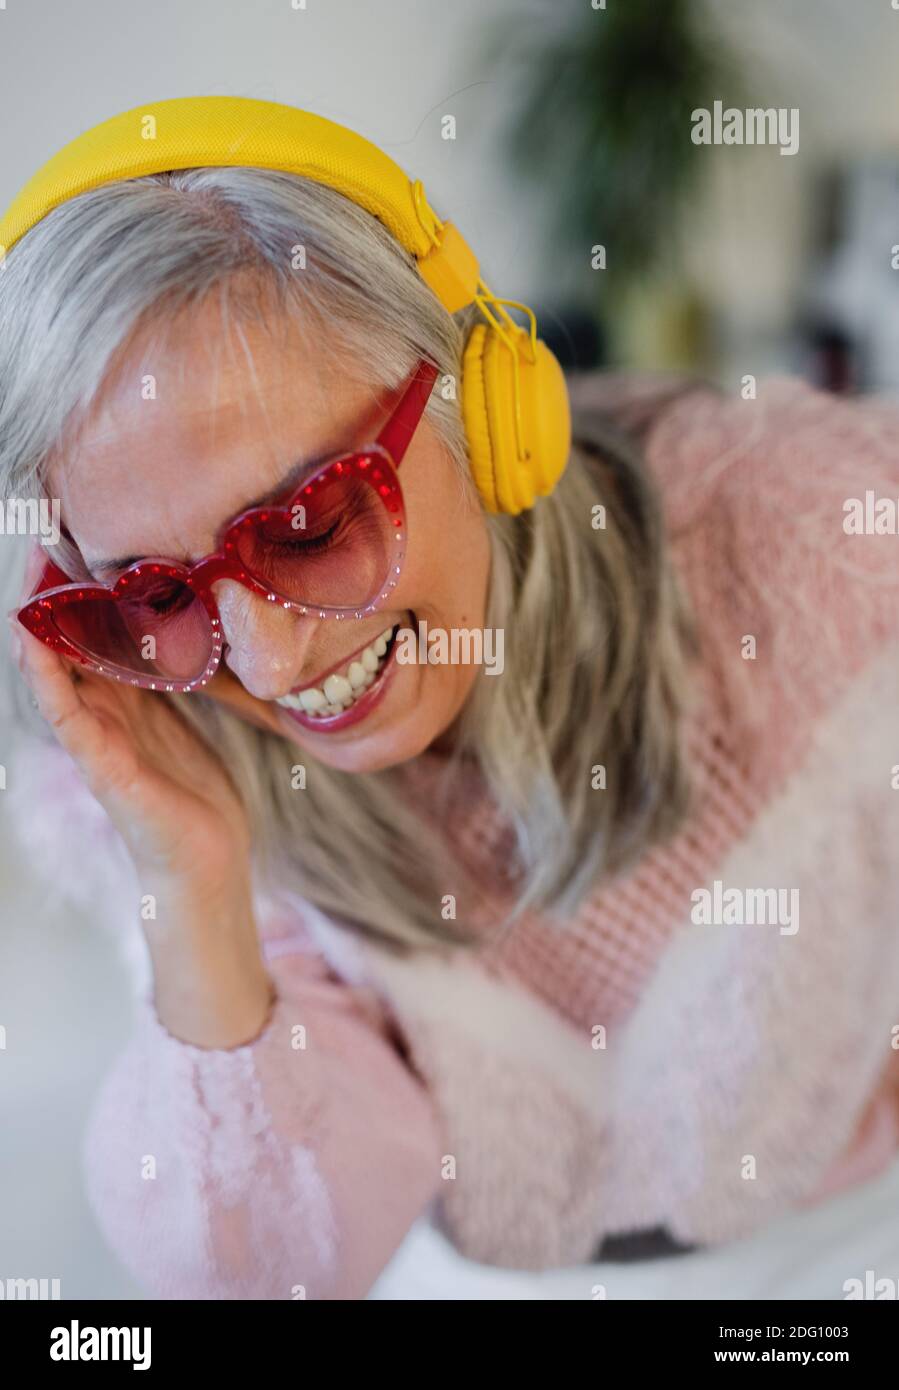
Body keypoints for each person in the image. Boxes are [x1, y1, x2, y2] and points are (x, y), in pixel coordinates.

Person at [3, 97, 899, 1300]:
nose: (265, 666)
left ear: (486, 407)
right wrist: (195, 888)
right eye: (159, 592)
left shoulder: (815, 544)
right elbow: (270, 1270)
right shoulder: (154, 729)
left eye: (312, 521)